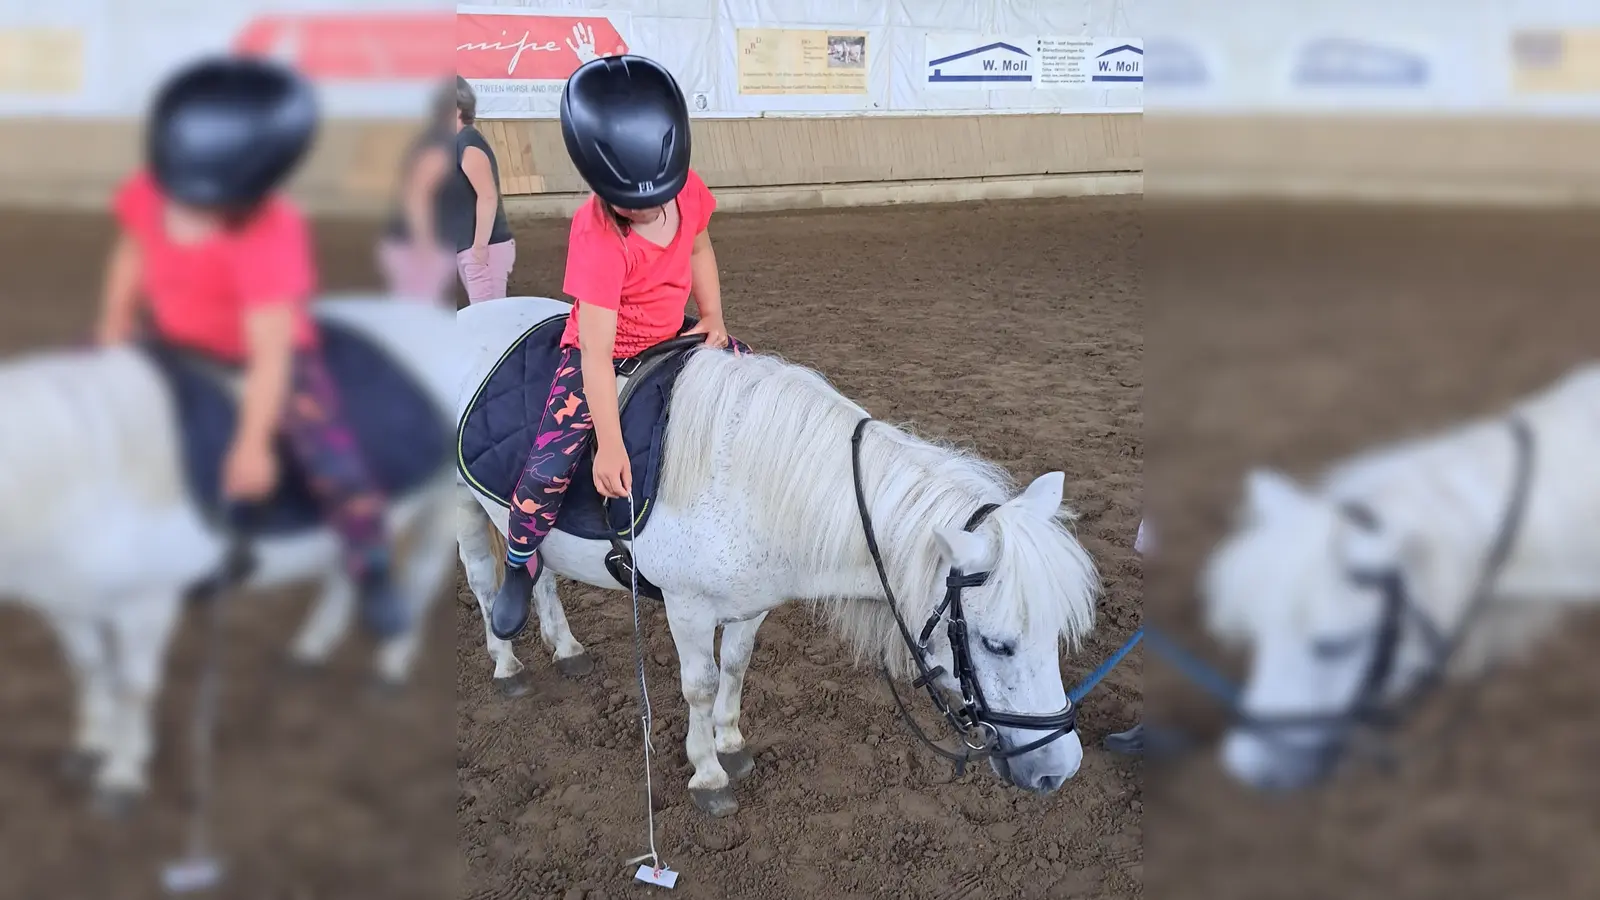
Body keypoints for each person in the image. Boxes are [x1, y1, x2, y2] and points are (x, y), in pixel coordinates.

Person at [95, 55, 408, 638]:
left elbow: (271, 351)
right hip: (172, 343)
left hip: (265, 359)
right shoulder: (150, 189)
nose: (191, 212)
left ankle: (373, 569)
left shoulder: (271, 230)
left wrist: (252, 445)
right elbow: (133, 252)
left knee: (335, 462)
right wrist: (114, 328)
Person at [488, 55, 747, 640]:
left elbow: (700, 252)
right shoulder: (598, 236)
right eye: (632, 201)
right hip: (608, 350)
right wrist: (608, 445)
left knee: (752, 384)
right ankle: (520, 559)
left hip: (671, 331)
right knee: (548, 466)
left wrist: (712, 318)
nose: (650, 208)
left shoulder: (687, 190)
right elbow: (597, 355)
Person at [376, 78, 456, 306]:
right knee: (416, 311)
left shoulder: (441, 142)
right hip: (418, 249)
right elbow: (417, 197)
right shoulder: (439, 146)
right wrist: (425, 246)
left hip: (422, 245)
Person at [449, 76, 516, 305]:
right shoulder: (457, 143)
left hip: (482, 249)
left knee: (489, 321)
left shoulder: (467, 143)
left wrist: (478, 248)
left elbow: (487, 196)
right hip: (470, 248)